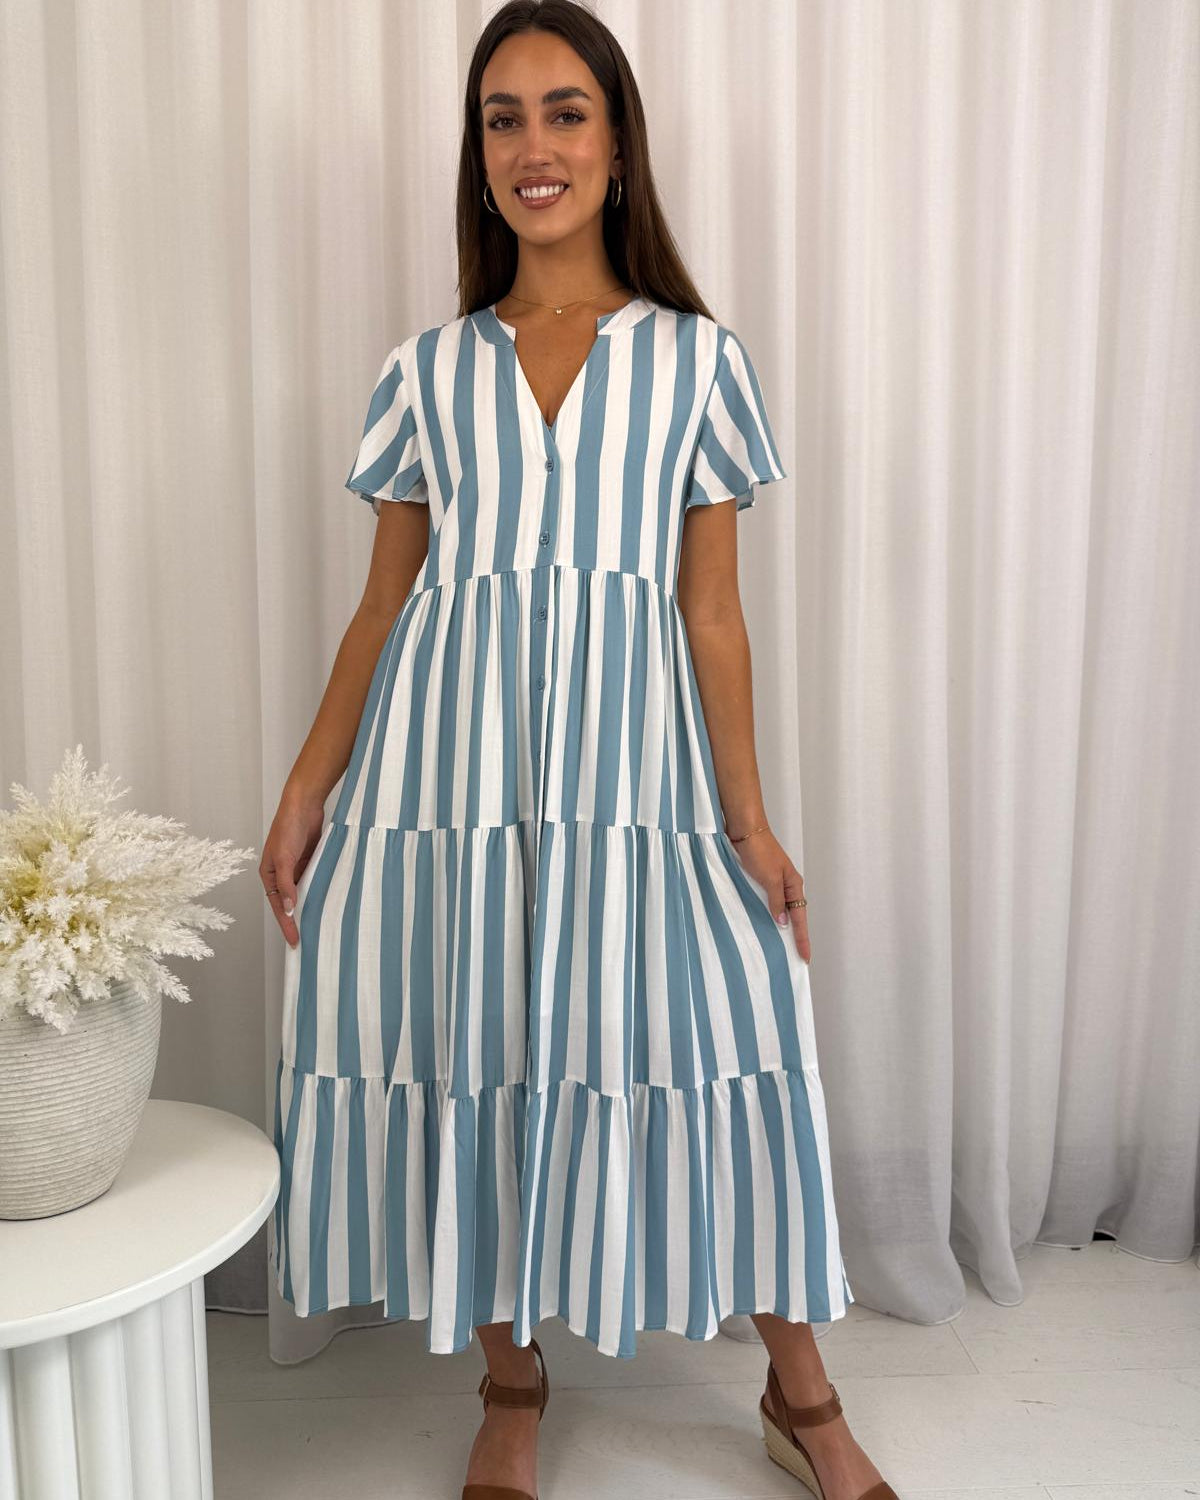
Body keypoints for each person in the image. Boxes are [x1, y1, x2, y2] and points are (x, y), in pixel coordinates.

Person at [260, 4, 897, 1499]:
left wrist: (747, 824)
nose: (531, 146)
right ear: (477, 157)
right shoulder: (426, 371)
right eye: (502, 119)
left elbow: (714, 620)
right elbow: (383, 608)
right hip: (448, 778)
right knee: (480, 1037)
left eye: (562, 113)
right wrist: (308, 788)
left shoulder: (695, 361)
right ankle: (510, 1382)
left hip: (639, 778)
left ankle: (799, 1393)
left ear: (617, 147)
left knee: (721, 1040)